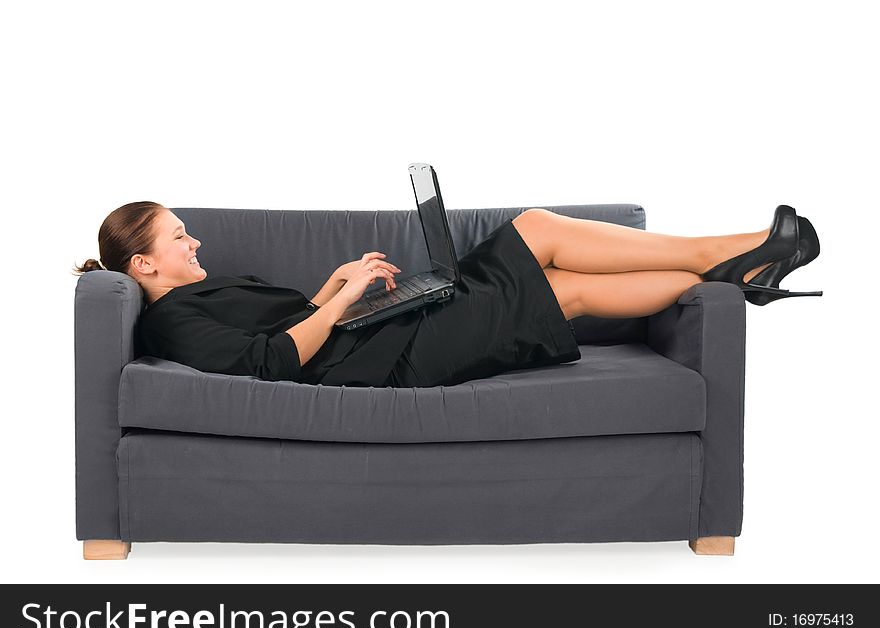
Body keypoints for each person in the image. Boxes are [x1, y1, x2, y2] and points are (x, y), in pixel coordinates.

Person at [72, 201, 821, 387]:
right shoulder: (173, 325)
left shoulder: (210, 288)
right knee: (558, 291)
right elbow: (273, 362)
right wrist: (347, 300)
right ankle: (732, 261)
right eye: (177, 238)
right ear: (143, 267)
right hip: (378, 365)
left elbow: (292, 316)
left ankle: (729, 266)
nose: (192, 241)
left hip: (368, 333)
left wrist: (340, 281)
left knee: (548, 265)